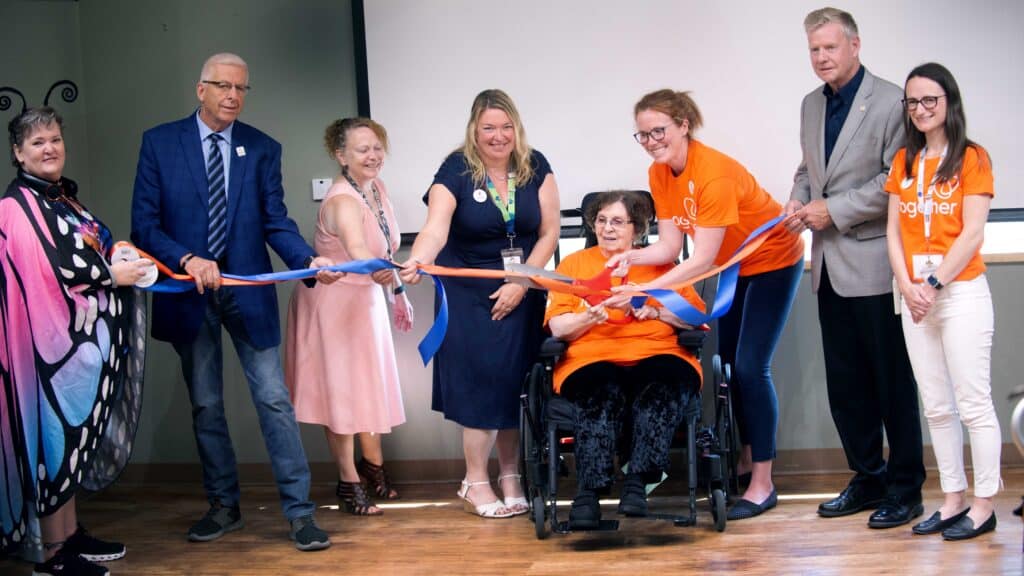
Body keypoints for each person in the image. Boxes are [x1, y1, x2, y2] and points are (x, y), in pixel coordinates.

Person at [130, 53, 340, 550]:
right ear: (200, 89)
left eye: (241, 88)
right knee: (206, 404)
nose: (232, 96)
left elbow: (275, 221)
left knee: (274, 399)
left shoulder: (262, 148)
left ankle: (301, 514)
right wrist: (187, 259)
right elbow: (145, 225)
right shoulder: (160, 143)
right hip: (190, 294)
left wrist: (306, 260)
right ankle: (224, 507)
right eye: (223, 86)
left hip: (248, 293)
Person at [607, 89, 804, 521]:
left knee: (751, 368)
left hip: (773, 260)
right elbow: (669, 247)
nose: (651, 141)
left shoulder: (713, 174)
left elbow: (700, 261)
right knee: (729, 367)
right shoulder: (659, 173)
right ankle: (747, 458)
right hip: (735, 265)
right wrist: (630, 257)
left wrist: (645, 290)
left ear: (684, 125)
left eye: (659, 131)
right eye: (643, 135)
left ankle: (763, 483)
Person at [784, 7, 926, 529]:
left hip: (875, 263)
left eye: (830, 47)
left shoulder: (891, 101)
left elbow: (895, 182)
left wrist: (832, 210)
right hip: (827, 265)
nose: (822, 57)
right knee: (846, 386)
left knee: (891, 382)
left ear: (855, 45)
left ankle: (906, 488)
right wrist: (798, 199)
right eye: (814, 49)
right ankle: (868, 477)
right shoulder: (809, 104)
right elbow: (809, 170)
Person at [2, 107, 154, 575]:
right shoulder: (16, 207)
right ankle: (52, 553)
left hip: (81, 349)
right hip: (47, 353)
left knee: (71, 445)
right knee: (52, 443)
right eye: (37, 142)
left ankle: (69, 535)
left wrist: (117, 253)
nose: (49, 149)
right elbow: (46, 270)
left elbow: (88, 246)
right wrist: (111, 274)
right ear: (18, 153)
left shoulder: (60, 198)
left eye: (55, 139)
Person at [399, 89, 560, 518]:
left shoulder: (535, 165)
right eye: (489, 127)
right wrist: (419, 259)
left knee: (514, 382)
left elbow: (549, 232)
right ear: (474, 129)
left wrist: (521, 281)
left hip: (522, 286)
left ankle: (510, 476)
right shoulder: (456, 169)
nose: (498, 136)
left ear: (517, 128)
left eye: (506, 127)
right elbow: (435, 229)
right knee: (481, 384)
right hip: (470, 295)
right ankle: (475, 480)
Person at [885, 63, 1001, 541]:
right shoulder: (904, 161)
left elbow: (972, 233)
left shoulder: (972, 158)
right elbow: (893, 232)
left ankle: (984, 504)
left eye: (929, 99)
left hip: (959, 293)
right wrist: (907, 285)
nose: (920, 109)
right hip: (914, 298)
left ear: (949, 101)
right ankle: (953, 499)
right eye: (912, 101)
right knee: (935, 406)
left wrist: (931, 284)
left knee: (973, 404)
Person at [545, 191, 704, 528]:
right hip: (594, 356)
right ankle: (588, 494)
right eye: (601, 221)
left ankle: (637, 482)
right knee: (600, 393)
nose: (607, 228)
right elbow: (558, 327)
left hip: (657, 353)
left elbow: (693, 319)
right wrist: (588, 317)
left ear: (638, 229)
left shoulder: (663, 265)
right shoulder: (572, 265)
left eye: (617, 222)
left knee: (661, 387)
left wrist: (654, 311)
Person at [285, 117, 412, 516]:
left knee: (368, 386)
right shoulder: (342, 200)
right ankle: (348, 480)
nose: (373, 156)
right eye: (362, 150)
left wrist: (396, 290)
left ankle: (373, 465)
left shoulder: (377, 188)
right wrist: (384, 275)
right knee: (340, 394)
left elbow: (384, 251)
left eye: (377, 147)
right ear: (341, 156)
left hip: (366, 301)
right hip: (334, 304)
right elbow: (359, 251)